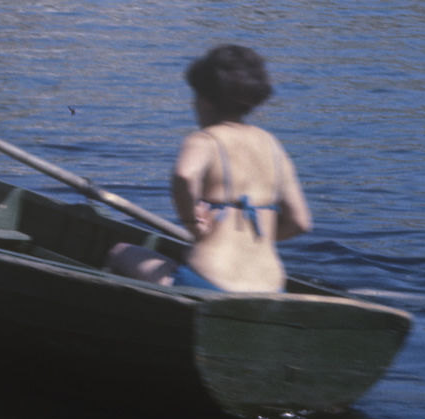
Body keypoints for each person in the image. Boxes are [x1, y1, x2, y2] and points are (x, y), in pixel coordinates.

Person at [107, 44, 311, 294]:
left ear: (204, 101)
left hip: (210, 282)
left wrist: (192, 223)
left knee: (120, 252)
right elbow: (300, 222)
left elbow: (184, 174)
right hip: (271, 288)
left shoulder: (204, 139)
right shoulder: (272, 145)